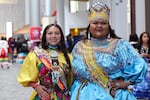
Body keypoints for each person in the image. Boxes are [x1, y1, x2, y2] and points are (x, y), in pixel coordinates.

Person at [70, 2, 147, 100]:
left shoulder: (120, 45)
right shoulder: (79, 46)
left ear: (108, 25)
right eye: (95, 23)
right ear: (89, 25)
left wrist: (126, 82)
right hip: (84, 95)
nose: (99, 26)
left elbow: (140, 64)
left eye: (103, 23)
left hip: (113, 95)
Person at [17, 24, 73, 100]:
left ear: (61, 36)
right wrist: (36, 86)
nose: (53, 36)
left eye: (57, 33)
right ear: (45, 36)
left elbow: (72, 80)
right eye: (50, 33)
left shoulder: (69, 57)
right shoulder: (36, 55)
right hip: (45, 96)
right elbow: (25, 77)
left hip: (64, 97)